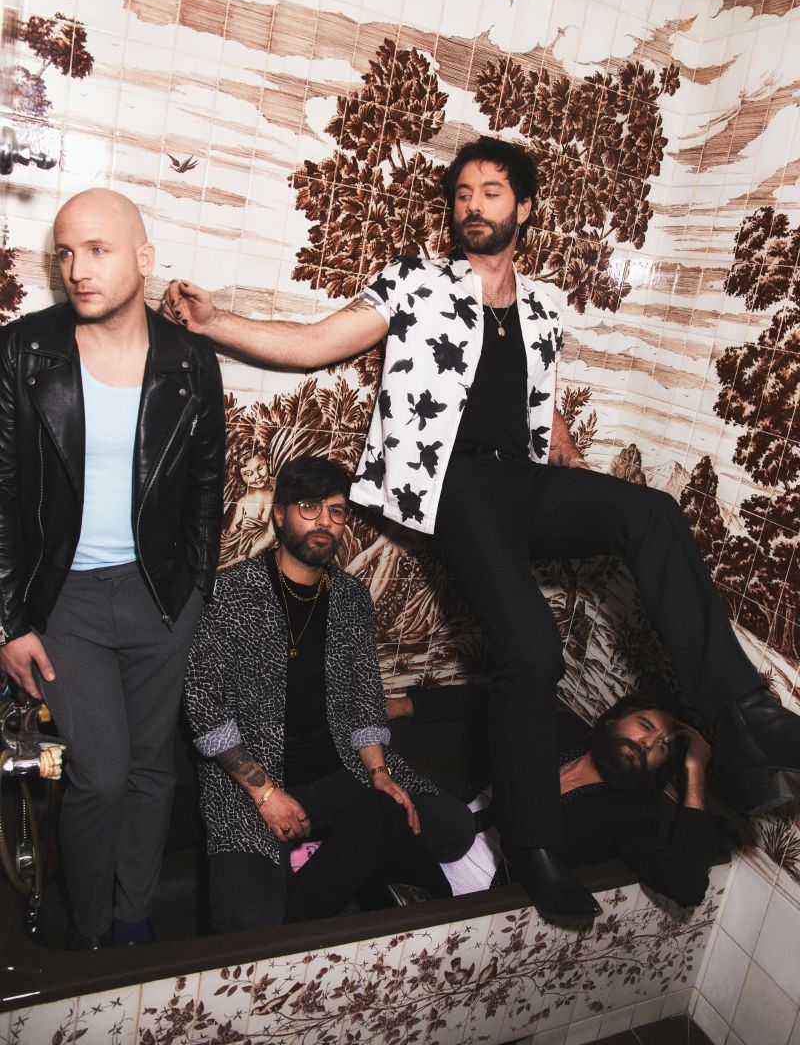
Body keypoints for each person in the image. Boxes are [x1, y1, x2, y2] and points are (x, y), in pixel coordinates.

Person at [162, 135, 800, 921]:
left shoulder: (543, 307)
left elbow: (536, 397)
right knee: (533, 647)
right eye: (462, 193)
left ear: (523, 208)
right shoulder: (416, 282)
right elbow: (314, 343)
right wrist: (215, 321)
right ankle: (535, 848)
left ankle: (746, 715)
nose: (472, 205)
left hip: (522, 480)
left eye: (490, 192)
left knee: (653, 513)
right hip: (451, 482)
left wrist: (571, 461)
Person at [0, 188, 225, 949]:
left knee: (152, 768)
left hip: (159, 596)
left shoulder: (190, 360)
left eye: (98, 250)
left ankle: (133, 919)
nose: (77, 269)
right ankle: (90, 932)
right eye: (66, 252)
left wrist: (195, 594)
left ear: (144, 258)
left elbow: (206, 488)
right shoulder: (24, 351)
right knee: (98, 775)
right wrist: (10, 622)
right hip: (64, 603)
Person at [183, 456, 474, 931]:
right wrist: (267, 795)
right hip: (254, 780)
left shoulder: (351, 597)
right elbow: (204, 708)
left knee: (454, 828)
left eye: (336, 511)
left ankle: (328, 854)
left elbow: (364, 698)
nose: (324, 522)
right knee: (247, 921)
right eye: (309, 507)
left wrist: (379, 775)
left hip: (341, 768)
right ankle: (346, 854)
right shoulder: (230, 592)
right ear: (280, 516)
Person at [387, 686, 722, 908]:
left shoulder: (630, 815)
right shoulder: (564, 733)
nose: (648, 743)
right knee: (380, 802)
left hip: (455, 895)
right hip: (429, 835)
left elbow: (685, 885)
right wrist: (402, 706)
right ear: (614, 720)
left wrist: (695, 771)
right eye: (646, 726)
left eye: (663, 746)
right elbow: (492, 703)